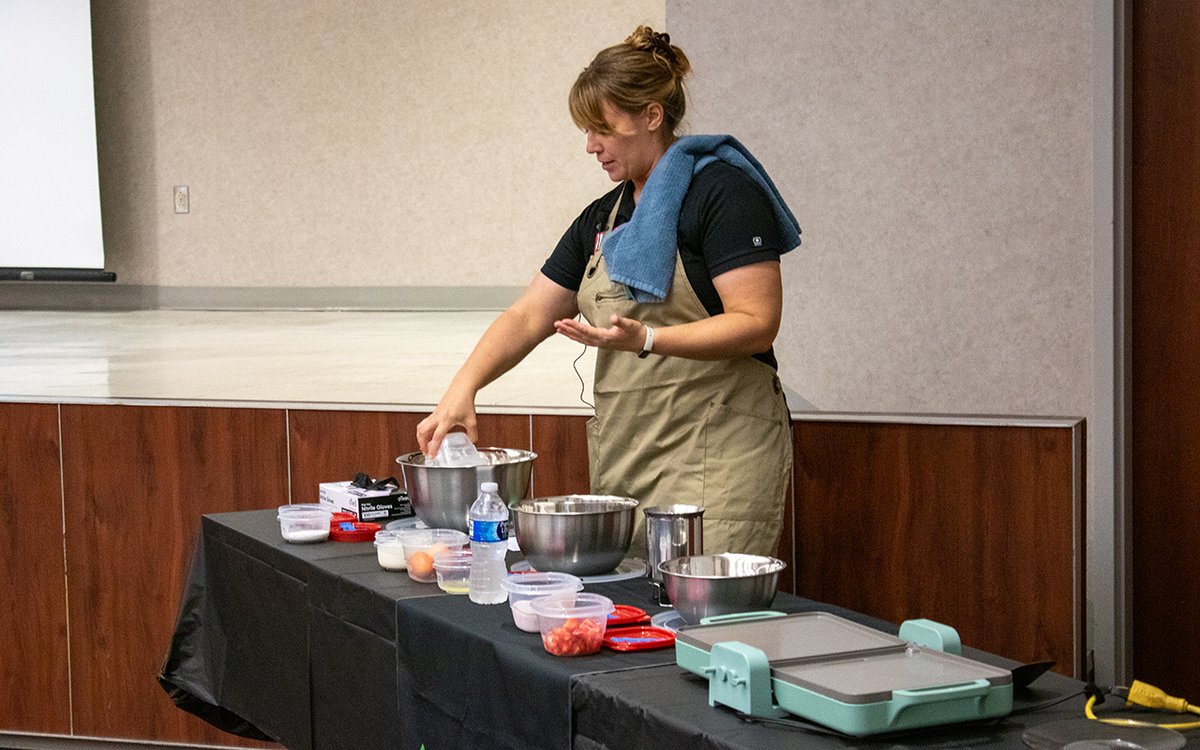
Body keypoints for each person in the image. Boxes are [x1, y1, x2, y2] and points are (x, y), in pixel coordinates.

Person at [417, 26, 800, 557]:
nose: (591, 146)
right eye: (586, 130)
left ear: (652, 115)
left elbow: (756, 322)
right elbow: (528, 315)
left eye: (603, 128)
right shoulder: (603, 219)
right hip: (630, 459)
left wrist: (648, 338)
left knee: (697, 602)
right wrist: (463, 389)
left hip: (719, 459)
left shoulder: (723, 194)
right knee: (629, 603)